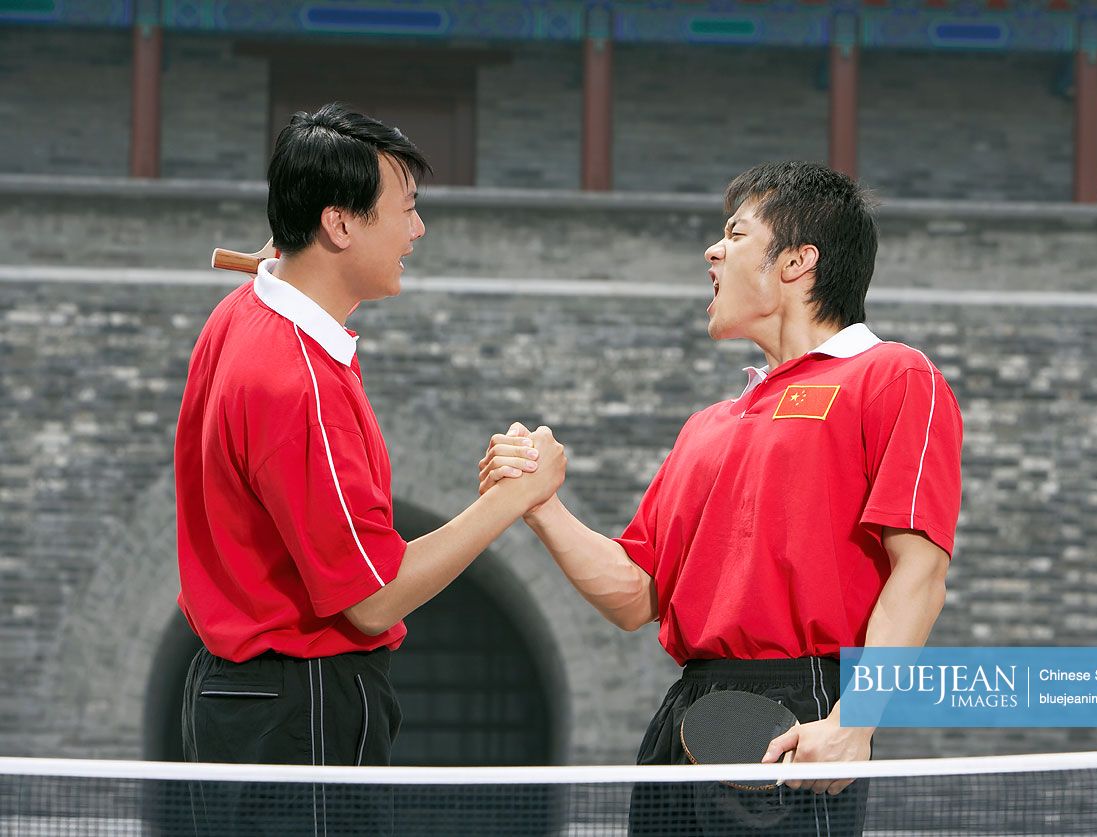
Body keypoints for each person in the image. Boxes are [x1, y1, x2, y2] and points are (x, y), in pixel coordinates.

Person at [479, 161, 962, 835]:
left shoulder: (893, 375)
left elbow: (920, 570)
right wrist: (539, 504)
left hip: (798, 713)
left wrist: (853, 720)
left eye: (734, 234)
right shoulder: (708, 423)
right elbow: (634, 593)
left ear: (797, 262)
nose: (712, 251)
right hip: (685, 714)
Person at [174, 103, 564, 832]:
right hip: (301, 708)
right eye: (406, 210)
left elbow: (633, 592)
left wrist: (855, 723)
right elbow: (373, 597)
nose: (416, 231)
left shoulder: (240, 313)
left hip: (237, 700)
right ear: (339, 224)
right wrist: (517, 497)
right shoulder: (298, 379)